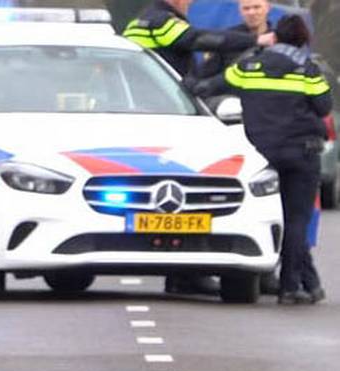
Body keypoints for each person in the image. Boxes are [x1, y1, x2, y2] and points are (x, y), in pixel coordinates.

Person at [124, 0, 275, 295]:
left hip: (148, 113)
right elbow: (197, 40)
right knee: (184, 194)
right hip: (164, 115)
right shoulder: (161, 21)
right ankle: (184, 275)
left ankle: (184, 273)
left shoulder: (140, 21)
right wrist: (255, 40)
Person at [199, 15, 330, 304]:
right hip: (301, 153)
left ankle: (311, 283)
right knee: (296, 220)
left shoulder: (248, 66)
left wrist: (186, 86)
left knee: (270, 218)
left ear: (276, 37)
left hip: (261, 156)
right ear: (303, 40)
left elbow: (213, 85)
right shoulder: (307, 70)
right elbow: (323, 106)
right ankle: (289, 286)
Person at [197, 0, 273, 82]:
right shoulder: (227, 39)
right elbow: (205, 75)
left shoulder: (278, 40)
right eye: (246, 8)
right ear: (240, 11)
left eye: (257, 7)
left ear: (268, 8)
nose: (251, 13)